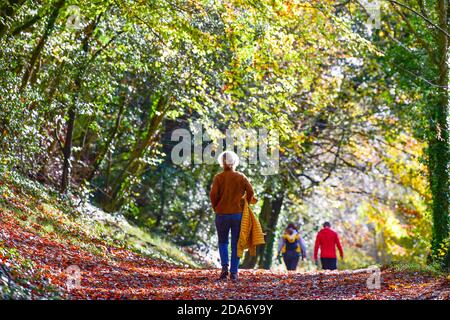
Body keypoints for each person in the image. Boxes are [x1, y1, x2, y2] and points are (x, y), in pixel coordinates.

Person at [210, 150, 254, 282]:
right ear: (234, 162)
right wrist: (245, 203)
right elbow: (251, 192)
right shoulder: (241, 177)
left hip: (221, 214)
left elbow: (213, 195)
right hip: (237, 215)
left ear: (222, 162)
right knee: (236, 244)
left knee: (223, 242)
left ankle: (224, 268)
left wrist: (216, 207)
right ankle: (234, 273)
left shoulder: (219, 177)